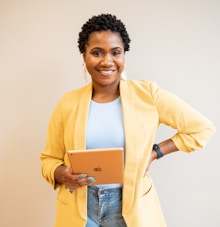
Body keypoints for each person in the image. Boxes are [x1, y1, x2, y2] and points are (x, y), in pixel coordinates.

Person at [40, 14, 215, 227]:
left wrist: (155, 152)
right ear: (84, 55)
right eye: (97, 53)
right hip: (79, 209)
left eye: (116, 53)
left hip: (131, 208)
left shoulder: (148, 94)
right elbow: (49, 159)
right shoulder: (67, 103)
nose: (107, 61)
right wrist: (61, 174)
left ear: (124, 55)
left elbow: (201, 129)